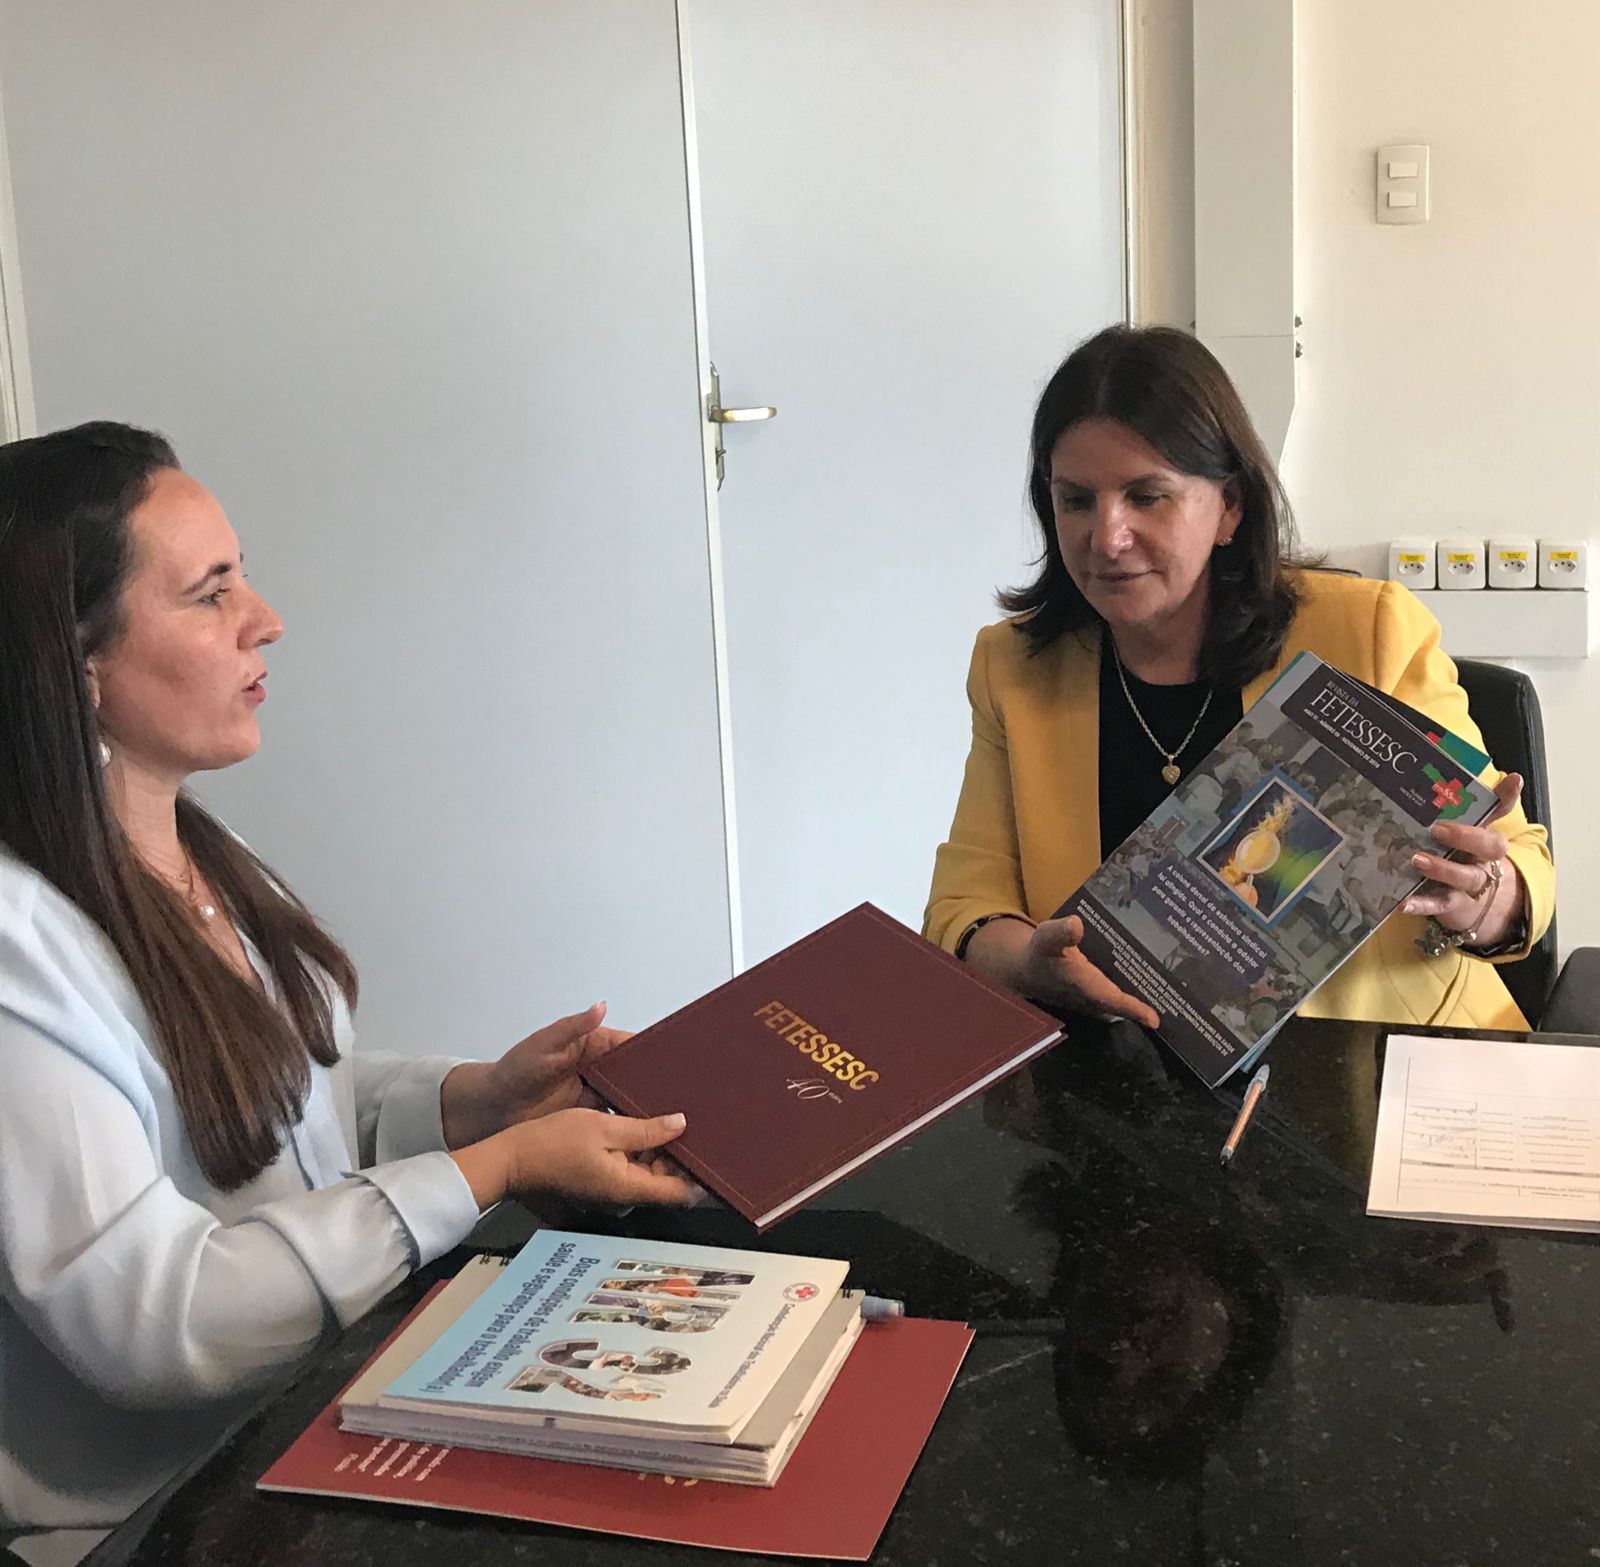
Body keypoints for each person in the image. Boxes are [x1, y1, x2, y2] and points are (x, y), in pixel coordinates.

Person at [0, 423, 698, 1561]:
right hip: (150, 1520)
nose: (265, 618)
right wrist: (491, 1169)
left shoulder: (200, 853)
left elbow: (280, 1117)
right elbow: (153, 1318)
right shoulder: (16, 950)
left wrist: (478, 1100)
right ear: (76, 664)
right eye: (210, 594)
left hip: (299, 1424)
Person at [924, 325, 1553, 1031]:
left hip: (1375, 1053)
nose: (1107, 537)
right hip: (1132, 1060)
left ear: (1229, 505)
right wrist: (1032, 967)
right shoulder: (1013, 666)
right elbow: (964, 907)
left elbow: (1523, 867)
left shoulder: (1365, 632)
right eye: (1076, 500)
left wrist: (1478, 895)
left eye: (1146, 496)